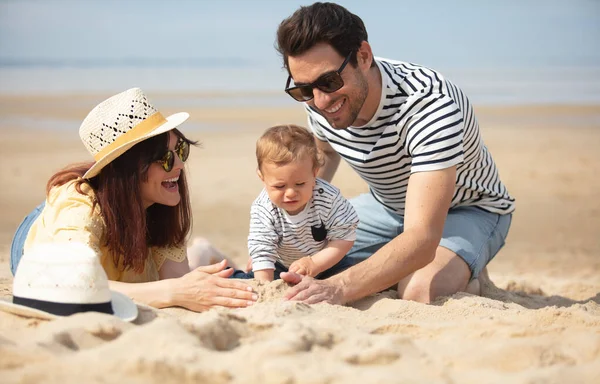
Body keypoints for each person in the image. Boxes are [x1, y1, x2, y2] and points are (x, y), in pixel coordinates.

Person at [275, 2, 515, 304]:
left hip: (469, 209)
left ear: (363, 56)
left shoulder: (429, 104)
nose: (320, 102)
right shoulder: (320, 102)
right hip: (386, 207)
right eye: (304, 90)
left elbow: (422, 238)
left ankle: (471, 272)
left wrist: (337, 287)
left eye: (329, 82)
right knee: (288, 261)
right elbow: (323, 153)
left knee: (419, 291)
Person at [9, 88, 257, 312]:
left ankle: (203, 251)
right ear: (129, 170)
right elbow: (72, 284)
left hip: (127, 211)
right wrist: (175, 291)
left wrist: (187, 289)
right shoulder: (79, 206)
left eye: (180, 150)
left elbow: (182, 283)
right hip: (53, 237)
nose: (180, 165)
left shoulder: (158, 206)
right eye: (166, 159)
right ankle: (202, 251)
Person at [243, 124, 359, 281]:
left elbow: (344, 237)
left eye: (300, 184)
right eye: (279, 186)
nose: (290, 193)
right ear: (262, 177)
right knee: (252, 276)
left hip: (327, 262)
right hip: (282, 265)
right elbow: (262, 248)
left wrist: (315, 263)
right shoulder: (264, 207)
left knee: (349, 278)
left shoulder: (328, 198)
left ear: (314, 173)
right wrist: (265, 285)